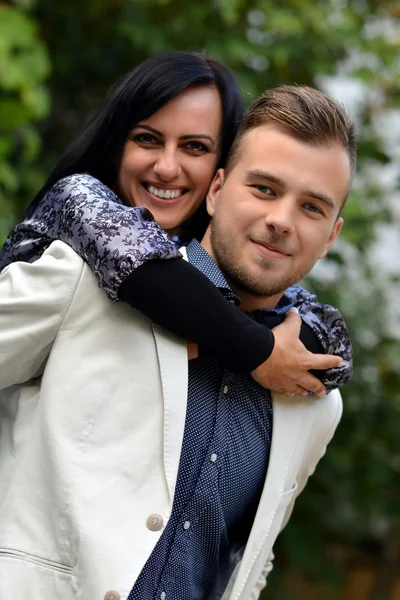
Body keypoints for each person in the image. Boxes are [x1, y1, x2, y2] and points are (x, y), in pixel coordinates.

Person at [0, 84, 355, 599]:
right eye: (263, 189)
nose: (281, 221)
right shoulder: (84, 283)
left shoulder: (315, 400)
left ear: (332, 236)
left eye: (312, 208)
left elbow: (251, 560)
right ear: (215, 190)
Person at [0, 51, 351, 396]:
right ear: (117, 143)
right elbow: (143, 269)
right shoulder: (77, 198)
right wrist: (260, 351)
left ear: (220, 173)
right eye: (147, 139)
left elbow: (332, 340)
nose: (167, 167)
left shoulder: (200, 266)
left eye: (194, 147)